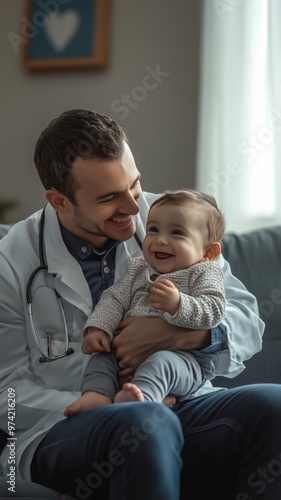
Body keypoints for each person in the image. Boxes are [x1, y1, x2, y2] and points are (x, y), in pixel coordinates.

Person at [0, 109, 280, 500]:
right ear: (59, 200)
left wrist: (186, 334)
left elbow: (247, 320)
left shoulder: (172, 220)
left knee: (274, 405)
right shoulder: (9, 263)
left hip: (174, 395)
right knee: (145, 421)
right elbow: (8, 394)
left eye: (134, 185)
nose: (134, 210)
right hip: (62, 424)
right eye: (110, 198)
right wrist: (101, 404)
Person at [64, 189, 226, 415]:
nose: (160, 240)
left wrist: (178, 304)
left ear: (208, 252)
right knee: (101, 359)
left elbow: (215, 309)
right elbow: (115, 298)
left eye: (177, 233)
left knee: (162, 364)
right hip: (124, 353)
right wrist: (98, 327)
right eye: (153, 230)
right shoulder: (138, 268)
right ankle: (96, 396)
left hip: (183, 358)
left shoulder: (204, 273)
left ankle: (144, 399)